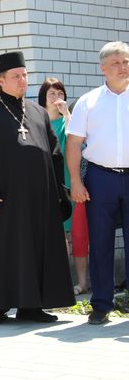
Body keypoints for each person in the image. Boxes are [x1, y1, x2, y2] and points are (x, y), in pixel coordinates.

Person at [0, 51, 75, 325]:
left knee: (34, 250)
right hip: (1, 200)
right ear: (0, 80)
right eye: (16, 77)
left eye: (25, 75)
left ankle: (31, 306)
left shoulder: (38, 113)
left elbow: (54, 153)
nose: (23, 81)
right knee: (1, 251)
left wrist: (57, 191)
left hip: (37, 199)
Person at [66, 41, 129, 325]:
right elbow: (74, 144)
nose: (123, 66)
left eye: (126, 61)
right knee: (101, 241)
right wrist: (76, 183)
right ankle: (101, 304)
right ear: (103, 68)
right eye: (116, 62)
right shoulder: (88, 101)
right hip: (100, 177)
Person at [38, 79, 88, 295]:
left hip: (70, 185)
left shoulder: (69, 120)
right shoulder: (36, 121)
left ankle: (82, 282)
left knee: (77, 235)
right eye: (51, 92)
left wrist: (66, 112)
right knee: (55, 237)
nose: (56, 95)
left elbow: (76, 141)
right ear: (43, 96)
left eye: (60, 91)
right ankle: (58, 281)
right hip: (45, 186)